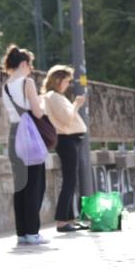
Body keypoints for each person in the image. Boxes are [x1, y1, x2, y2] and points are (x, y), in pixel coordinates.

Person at [0, 45, 48, 246]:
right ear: (23, 64)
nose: (31, 69)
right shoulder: (27, 82)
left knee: (20, 186)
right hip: (28, 135)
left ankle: (21, 233)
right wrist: (43, 105)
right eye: (30, 65)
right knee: (35, 185)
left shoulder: (6, 86)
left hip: (14, 135)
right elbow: (37, 112)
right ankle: (33, 232)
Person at [41, 65, 88, 233]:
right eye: (66, 81)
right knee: (69, 180)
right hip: (66, 140)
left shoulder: (55, 97)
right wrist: (77, 104)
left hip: (68, 140)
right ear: (58, 80)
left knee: (71, 180)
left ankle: (68, 219)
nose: (68, 84)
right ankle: (62, 221)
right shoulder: (54, 97)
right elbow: (67, 119)